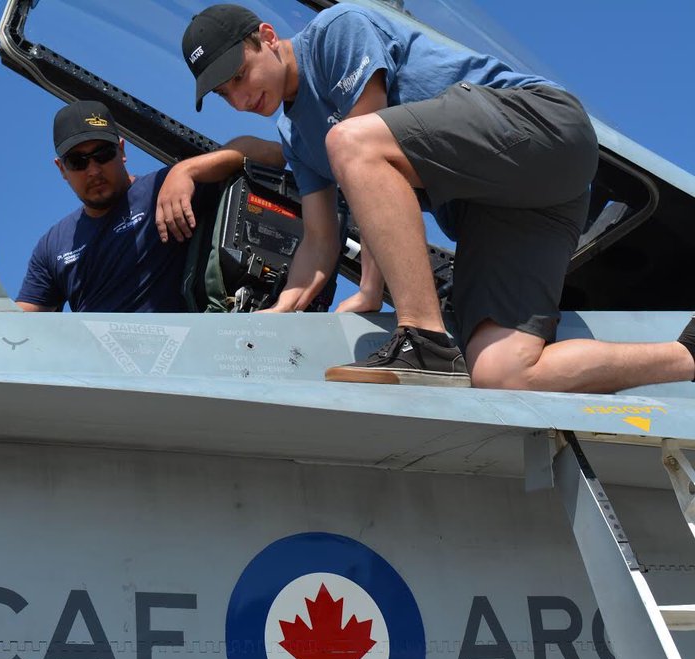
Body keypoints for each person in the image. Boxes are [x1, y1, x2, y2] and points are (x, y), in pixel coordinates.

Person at [157, 3, 695, 391]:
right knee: (500, 371)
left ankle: (424, 340)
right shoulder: (295, 136)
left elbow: (367, 142)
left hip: (542, 130)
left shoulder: (337, 30)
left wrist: (370, 293)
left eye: (240, 74)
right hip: (513, 204)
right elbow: (320, 244)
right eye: (223, 92)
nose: (240, 96)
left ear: (267, 36)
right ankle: (684, 356)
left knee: (348, 141)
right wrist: (277, 314)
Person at [17, 100, 214, 313]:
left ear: (121, 150)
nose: (93, 170)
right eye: (77, 162)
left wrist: (185, 170)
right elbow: (17, 323)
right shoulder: (52, 246)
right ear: (62, 169)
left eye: (102, 154)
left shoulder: (164, 188)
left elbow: (250, 151)